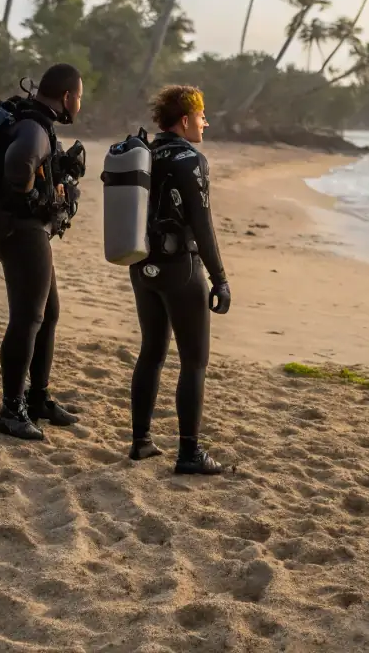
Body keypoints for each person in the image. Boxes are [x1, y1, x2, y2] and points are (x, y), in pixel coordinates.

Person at [127, 84, 231, 475]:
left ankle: (141, 442)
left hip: (141, 266)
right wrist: (219, 279)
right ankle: (188, 453)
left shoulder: (143, 154)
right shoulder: (192, 159)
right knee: (194, 361)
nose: (206, 122)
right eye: (202, 116)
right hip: (180, 269)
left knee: (151, 351)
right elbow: (202, 226)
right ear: (185, 119)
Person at [0, 63, 87, 441]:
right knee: (28, 317)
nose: (79, 104)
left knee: (48, 313)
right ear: (67, 96)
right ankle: (11, 410)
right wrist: (37, 200)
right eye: (78, 97)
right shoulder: (34, 128)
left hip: (24, 231)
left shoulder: (34, 120)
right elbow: (18, 167)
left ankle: (38, 397)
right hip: (22, 231)